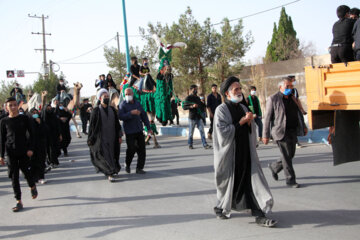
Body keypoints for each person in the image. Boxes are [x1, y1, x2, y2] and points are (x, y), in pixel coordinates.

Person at [213, 77, 275, 227]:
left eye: (240, 89)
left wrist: (249, 122)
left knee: (251, 182)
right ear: (227, 94)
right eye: (236, 89)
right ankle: (221, 207)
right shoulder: (221, 110)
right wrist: (241, 122)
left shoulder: (244, 108)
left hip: (246, 153)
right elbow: (222, 133)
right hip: (230, 156)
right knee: (229, 184)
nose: (240, 92)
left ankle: (260, 214)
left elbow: (250, 131)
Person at [263, 78, 308, 188]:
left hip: (292, 130)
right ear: (281, 87)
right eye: (287, 86)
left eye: (291, 86)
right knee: (287, 156)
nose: (289, 89)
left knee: (290, 154)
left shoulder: (293, 98)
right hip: (280, 132)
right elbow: (267, 118)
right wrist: (265, 135)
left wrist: (304, 126)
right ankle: (290, 180)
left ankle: (274, 167)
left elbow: (298, 113)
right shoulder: (273, 99)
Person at [0, 97, 38, 212]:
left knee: (26, 172)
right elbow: (1, 139)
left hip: (23, 151)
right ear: (6, 107)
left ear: (18, 106)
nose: (13, 107)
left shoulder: (24, 118)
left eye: (14, 105)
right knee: (14, 177)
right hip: (10, 152)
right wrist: (1, 155)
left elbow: (32, 134)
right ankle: (18, 201)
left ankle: (32, 186)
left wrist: (31, 148)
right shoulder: (3, 121)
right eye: (10, 105)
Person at [88, 89, 123, 182]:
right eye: (105, 97)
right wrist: (91, 138)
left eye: (108, 96)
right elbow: (92, 126)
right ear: (100, 98)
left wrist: (119, 135)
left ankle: (112, 169)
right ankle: (109, 173)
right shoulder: (96, 111)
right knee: (105, 155)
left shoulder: (112, 109)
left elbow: (117, 124)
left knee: (112, 154)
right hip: (101, 138)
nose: (107, 98)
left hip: (112, 137)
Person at [118, 88, 152, 174]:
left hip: (139, 129)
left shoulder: (137, 103)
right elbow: (120, 116)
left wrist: (149, 128)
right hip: (129, 131)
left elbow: (144, 115)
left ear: (133, 94)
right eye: (126, 94)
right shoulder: (123, 104)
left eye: (129, 94)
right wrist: (131, 113)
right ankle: (127, 164)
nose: (128, 96)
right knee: (131, 149)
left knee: (142, 149)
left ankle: (139, 168)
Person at [182, 85, 211, 150]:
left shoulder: (198, 98)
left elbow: (201, 106)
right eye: (194, 89)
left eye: (196, 89)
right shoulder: (188, 98)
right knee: (191, 132)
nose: (196, 90)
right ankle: (190, 144)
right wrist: (192, 106)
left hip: (199, 117)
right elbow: (184, 107)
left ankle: (205, 144)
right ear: (191, 90)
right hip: (192, 117)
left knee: (202, 131)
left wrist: (203, 103)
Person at [29, 108, 48, 184]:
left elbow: (46, 130)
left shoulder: (41, 121)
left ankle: (41, 177)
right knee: (33, 162)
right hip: (32, 145)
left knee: (41, 161)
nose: (35, 114)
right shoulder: (29, 122)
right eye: (33, 113)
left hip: (41, 144)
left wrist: (40, 124)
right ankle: (33, 177)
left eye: (36, 113)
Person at [41, 103, 62, 168]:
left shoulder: (54, 116)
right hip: (46, 136)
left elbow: (58, 126)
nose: (49, 108)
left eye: (50, 107)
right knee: (50, 149)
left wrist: (60, 134)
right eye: (47, 107)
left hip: (55, 135)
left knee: (57, 149)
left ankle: (53, 160)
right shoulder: (43, 118)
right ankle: (52, 161)